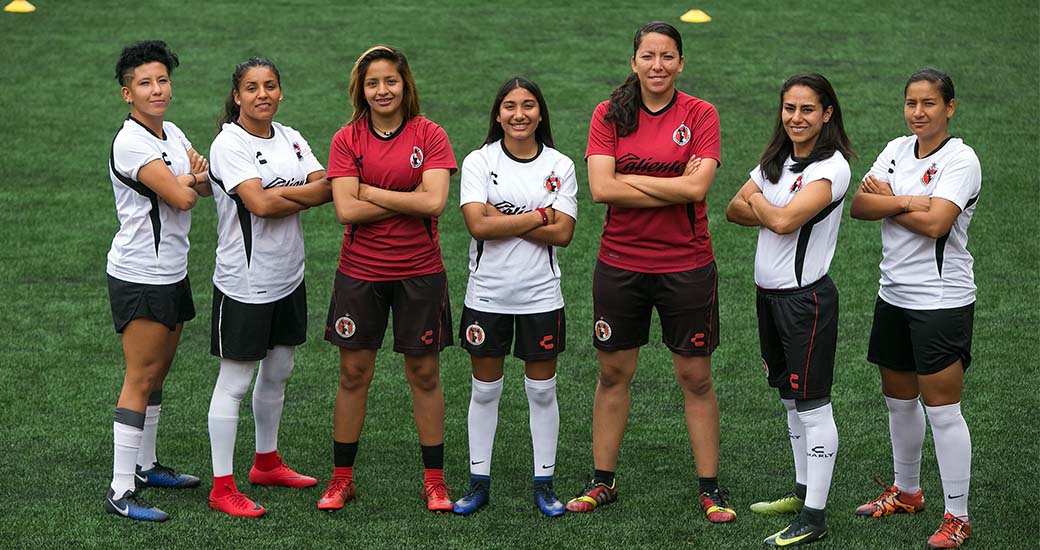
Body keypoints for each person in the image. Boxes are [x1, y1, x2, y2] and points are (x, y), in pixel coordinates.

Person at [565, 21, 735, 523]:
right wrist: (670, 184)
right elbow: (601, 190)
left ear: (681, 63)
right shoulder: (608, 114)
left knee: (695, 375)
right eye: (648, 56)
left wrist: (628, 178)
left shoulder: (701, 114)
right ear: (633, 62)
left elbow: (697, 189)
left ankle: (710, 489)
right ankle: (602, 483)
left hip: (687, 266)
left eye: (667, 57)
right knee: (613, 372)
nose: (657, 66)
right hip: (620, 265)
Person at [317, 45, 457, 513]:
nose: (382, 90)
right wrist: (406, 194)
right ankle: (342, 480)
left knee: (425, 373)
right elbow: (344, 209)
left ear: (405, 84)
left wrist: (370, 191)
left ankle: (434, 482)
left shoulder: (430, 134)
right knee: (354, 373)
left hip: (420, 271)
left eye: (390, 82)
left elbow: (434, 202)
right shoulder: (346, 138)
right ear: (362, 89)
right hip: (361, 272)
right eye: (373, 83)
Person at [849, 68, 980, 550]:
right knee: (898, 401)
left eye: (928, 103)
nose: (918, 112)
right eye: (911, 103)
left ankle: (958, 516)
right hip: (894, 295)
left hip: (941, 301)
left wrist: (892, 201)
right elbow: (860, 206)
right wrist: (911, 201)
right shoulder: (897, 148)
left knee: (943, 411)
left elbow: (938, 224)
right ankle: (907, 492)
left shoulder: (962, 160)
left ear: (949, 107)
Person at [725, 73, 854, 546]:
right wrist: (768, 205)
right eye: (788, 109)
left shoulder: (832, 168)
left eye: (806, 110)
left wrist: (762, 197)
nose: (796, 118)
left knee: (814, 406)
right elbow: (731, 210)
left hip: (806, 303)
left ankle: (814, 517)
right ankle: (802, 492)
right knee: (789, 401)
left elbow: (777, 219)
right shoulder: (777, 159)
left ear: (826, 114)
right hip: (769, 298)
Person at [205, 57, 332, 517]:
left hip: (288, 276)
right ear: (237, 95)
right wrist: (287, 196)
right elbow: (257, 204)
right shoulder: (228, 144)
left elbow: (328, 186)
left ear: (280, 92)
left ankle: (266, 462)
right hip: (245, 282)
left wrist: (279, 195)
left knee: (278, 372)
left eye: (270, 86)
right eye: (252, 87)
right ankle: (222, 487)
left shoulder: (292, 137)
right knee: (236, 381)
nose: (263, 94)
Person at [450, 77, 578, 517]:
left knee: (542, 393)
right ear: (498, 114)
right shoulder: (478, 162)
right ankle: (478, 483)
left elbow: (563, 233)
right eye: (509, 106)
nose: (518, 114)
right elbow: (477, 226)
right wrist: (539, 214)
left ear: (540, 113)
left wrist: (504, 215)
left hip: (541, 297)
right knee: (484, 392)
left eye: (527, 106)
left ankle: (544, 483)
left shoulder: (560, 164)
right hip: (487, 296)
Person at [104, 40, 210, 522]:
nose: (156, 89)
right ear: (127, 93)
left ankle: (145, 465)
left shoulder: (171, 131)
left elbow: (204, 181)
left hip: (172, 271)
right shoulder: (131, 141)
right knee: (140, 376)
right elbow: (186, 196)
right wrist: (184, 179)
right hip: (139, 274)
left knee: (159, 374)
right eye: (145, 83)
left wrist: (182, 178)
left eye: (162, 80)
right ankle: (120, 488)